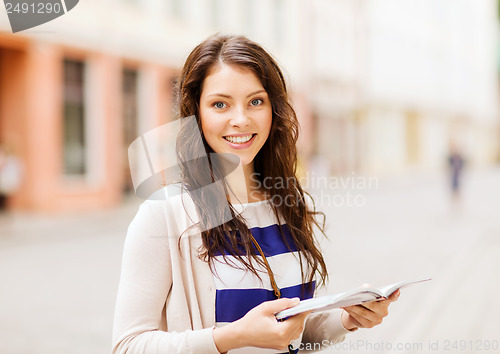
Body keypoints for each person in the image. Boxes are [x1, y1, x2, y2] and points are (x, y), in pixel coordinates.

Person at [112, 34, 399, 354]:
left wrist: (347, 318)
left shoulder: (287, 204)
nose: (241, 119)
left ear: (273, 110)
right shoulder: (165, 214)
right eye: (220, 104)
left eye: (255, 101)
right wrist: (232, 337)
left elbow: (292, 335)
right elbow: (128, 345)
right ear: (196, 114)